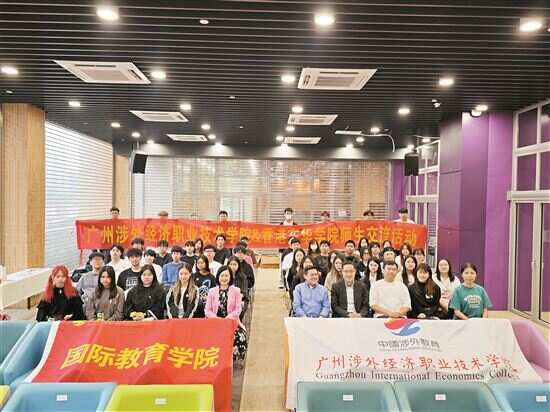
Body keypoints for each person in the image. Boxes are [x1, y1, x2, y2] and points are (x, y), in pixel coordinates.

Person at [205, 266, 247, 362]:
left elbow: (238, 309)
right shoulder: (212, 291)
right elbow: (207, 310)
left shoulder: (236, 291)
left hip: (231, 323)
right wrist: (217, 319)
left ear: (230, 277)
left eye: (226, 276)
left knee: (238, 336)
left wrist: (227, 319)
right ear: (218, 277)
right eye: (222, 275)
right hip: (215, 322)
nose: (224, 278)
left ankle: (229, 361)